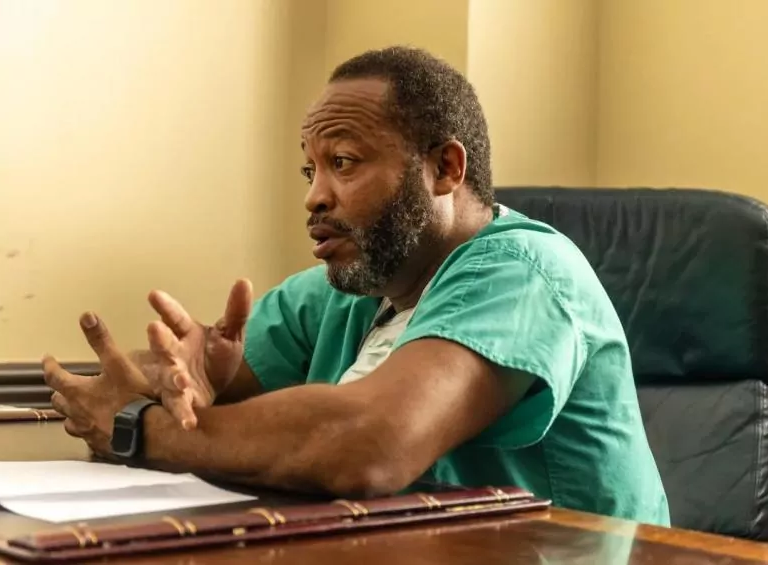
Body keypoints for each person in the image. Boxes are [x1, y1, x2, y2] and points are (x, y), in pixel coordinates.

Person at [44, 46, 670, 526]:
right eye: (310, 169)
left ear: (444, 168)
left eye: (342, 162)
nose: (314, 196)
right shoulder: (346, 290)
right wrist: (192, 381)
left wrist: (142, 431)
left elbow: (370, 447)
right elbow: (216, 397)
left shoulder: (523, 274)